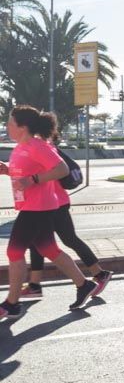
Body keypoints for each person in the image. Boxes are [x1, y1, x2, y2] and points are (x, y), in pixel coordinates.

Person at [0, 105, 99, 320]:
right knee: (49, 249)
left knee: (14, 252)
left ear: (22, 127)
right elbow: (25, 173)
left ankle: (12, 303)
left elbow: (61, 169)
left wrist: (33, 180)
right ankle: (84, 284)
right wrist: (8, 171)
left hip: (38, 208)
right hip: (35, 206)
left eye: (10, 122)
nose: (7, 126)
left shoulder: (37, 145)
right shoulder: (20, 147)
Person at [20, 112, 113, 301]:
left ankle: (37, 285)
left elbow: (39, 173)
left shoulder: (40, 146)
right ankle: (97, 274)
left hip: (52, 202)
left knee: (51, 241)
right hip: (54, 201)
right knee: (49, 241)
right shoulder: (43, 144)